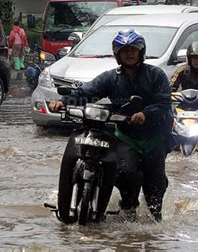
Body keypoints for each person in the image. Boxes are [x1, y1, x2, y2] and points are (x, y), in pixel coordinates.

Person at [48, 29, 173, 222]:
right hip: (125, 135)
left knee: (155, 186)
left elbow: (165, 103)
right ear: (117, 55)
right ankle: (128, 209)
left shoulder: (156, 75)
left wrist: (145, 114)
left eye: (133, 50)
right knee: (126, 174)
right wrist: (63, 102)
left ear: (141, 52)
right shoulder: (110, 77)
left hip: (154, 137)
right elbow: (87, 92)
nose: (129, 54)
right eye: (124, 51)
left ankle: (155, 224)